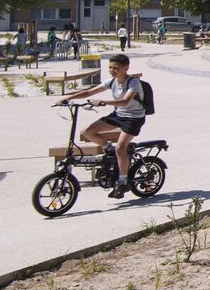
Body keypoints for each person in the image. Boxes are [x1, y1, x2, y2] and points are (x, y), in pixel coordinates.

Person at [57, 53, 147, 198]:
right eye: (110, 67)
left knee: (120, 148)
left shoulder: (133, 83)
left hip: (134, 118)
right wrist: (68, 98)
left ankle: (123, 181)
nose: (112, 70)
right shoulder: (111, 81)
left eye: (116, 68)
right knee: (87, 131)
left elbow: (125, 101)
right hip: (118, 115)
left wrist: (104, 102)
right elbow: (89, 91)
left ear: (126, 68)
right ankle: (108, 149)